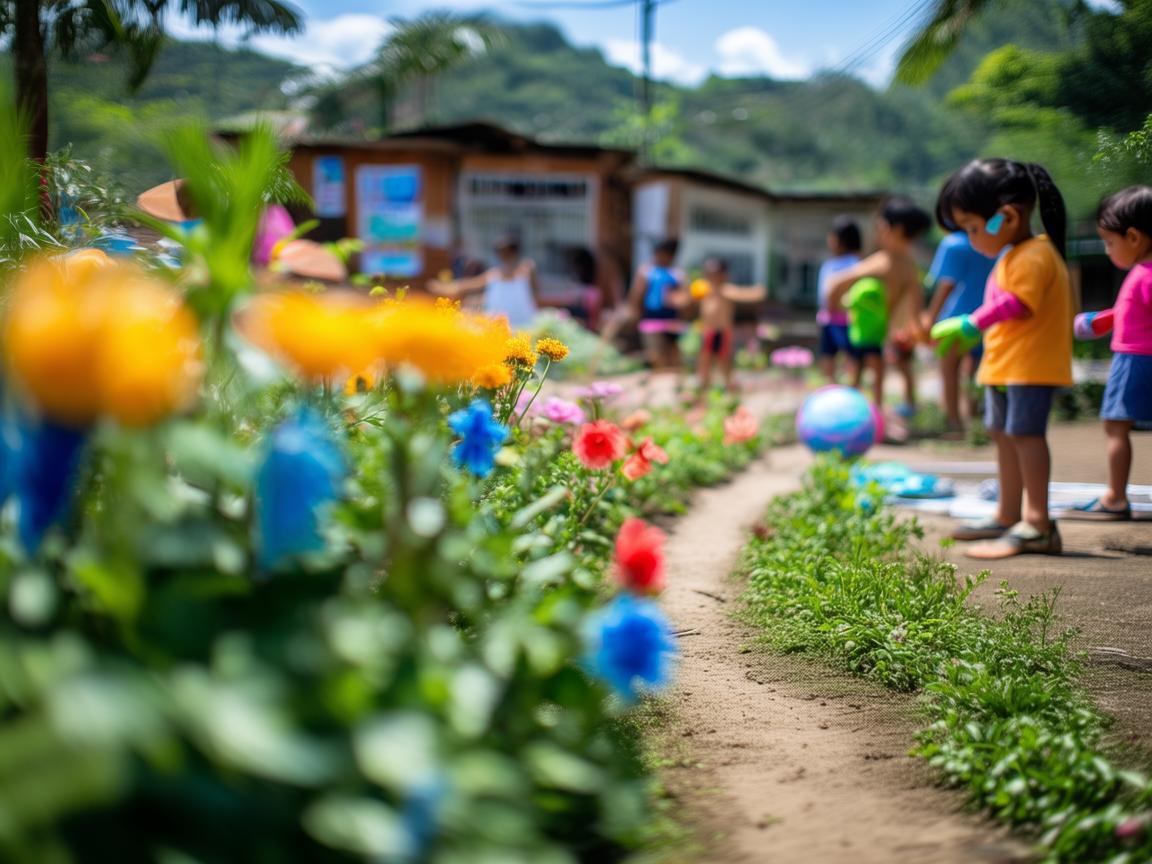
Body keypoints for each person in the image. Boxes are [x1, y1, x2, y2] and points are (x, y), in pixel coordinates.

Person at [930, 159, 1071, 558]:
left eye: (973, 227)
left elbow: (1018, 304)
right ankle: (1009, 514)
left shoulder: (1034, 255)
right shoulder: (1013, 254)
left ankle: (1038, 524)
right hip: (1008, 366)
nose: (972, 238)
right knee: (1004, 436)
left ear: (1005, 217)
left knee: (1026, 438)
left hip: (1029, 368)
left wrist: (971, 323)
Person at [1063, 186, 1152, 521]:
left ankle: (1115, 497)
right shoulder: (1144, 274)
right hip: (1142, 357)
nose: (1107, 249)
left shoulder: (1143, 275)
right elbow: (1132, 312)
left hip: (1134, 361)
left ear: (1133, 237)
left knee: (1115, 426)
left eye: (1109, 241)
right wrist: (1104, 321)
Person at [826, 198, 932, 411]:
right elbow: (916, 305)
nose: (878, 232)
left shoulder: (884, 261)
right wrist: (918, 330)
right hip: (880, 330)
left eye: (880, 227)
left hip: (878, 331)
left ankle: (864, 412)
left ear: (893, 229)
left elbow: (835, 283)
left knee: (865, 370)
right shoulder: (908, 265)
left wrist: (835, 314)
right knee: (875, 370)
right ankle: (890, 408)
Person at [923, 230, 998, 434]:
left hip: (955, 319)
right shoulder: (993, 239)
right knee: (975, 370)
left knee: (949, 369)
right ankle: (974, 417)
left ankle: (953, 421)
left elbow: (946, 284)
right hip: (987, 315)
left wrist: (930, 317)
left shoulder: (953, 244)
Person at [429, 235, 539, 328]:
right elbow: (467, 285)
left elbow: (535, 292)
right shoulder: (494, 274)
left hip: (526, 326)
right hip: (499, 328)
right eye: (501, 252)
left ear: (514, 252)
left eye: (506, 251)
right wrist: (443, 287)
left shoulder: (527, 270)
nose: (503, 255)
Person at [691, 257, 766, 393]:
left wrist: (759, 290)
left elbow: (748, 294)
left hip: (722, 331)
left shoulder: (726, 289)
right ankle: (703, 386)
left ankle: (729, 386)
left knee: (723, 360)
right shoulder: (704, 289)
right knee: (704, 359)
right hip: (708, 331)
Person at [629, 238, 688, 371]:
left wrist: (680, 303)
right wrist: (635, 313)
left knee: (673, 355)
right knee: (655, 355)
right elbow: (637, 295)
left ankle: (673, 384)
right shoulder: (646, 271)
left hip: (672, 319)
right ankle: (660, 380)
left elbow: (684, 298)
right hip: (651, 318)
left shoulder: (677, 274)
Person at [816, 217, 863, 383]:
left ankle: (852, 387)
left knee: (851, 356)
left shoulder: (856, 263)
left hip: (847, 320)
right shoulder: (829, 264)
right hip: (827, 319)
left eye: (832, 236)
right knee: (827, 355)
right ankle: (831, 386)